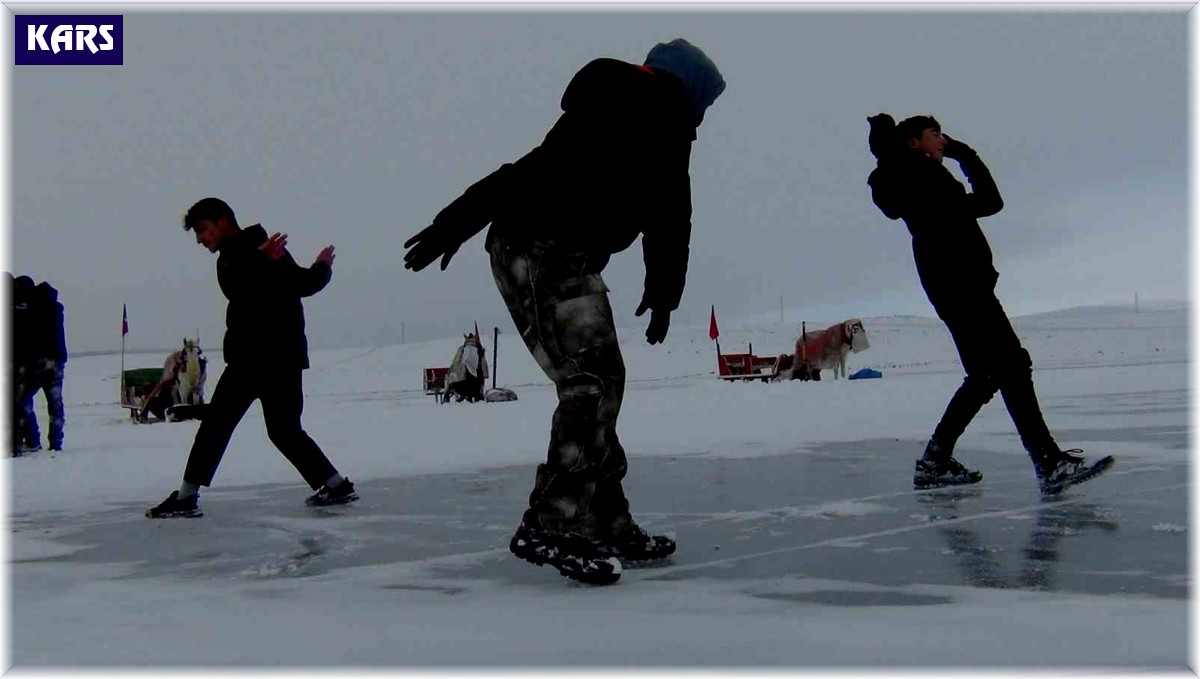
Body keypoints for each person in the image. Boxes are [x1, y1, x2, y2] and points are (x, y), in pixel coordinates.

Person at [403, 38, 726, 584]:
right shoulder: (653, 112)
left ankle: (603, 519)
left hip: (548, 250)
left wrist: (459, 219)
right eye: (705, 103)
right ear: (687, 88)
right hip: (536, 248)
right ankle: (551, 523)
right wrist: (457, 220)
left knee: (602, 382)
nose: (702, 117)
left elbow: (535, 171)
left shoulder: (637, 114)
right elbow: (668, 213)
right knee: (591, 383)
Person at [866, 113, 1113, 496]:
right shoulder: (918, 175)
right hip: (961, 284)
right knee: (1011, 365)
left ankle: (937, 460)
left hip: (956, 284)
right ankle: (1048, 462)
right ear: (913, 142)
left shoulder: (920, 175)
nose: (943, 139)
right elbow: (980, 201)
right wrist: (956, 155)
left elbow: (984, 204)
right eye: (936, 134)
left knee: (986, 375)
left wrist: (957, 155)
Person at [146, 197, 358, 518]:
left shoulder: (250, 250)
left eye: (203, 230)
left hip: (260, 358)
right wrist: (270, 263)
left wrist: (321, 268)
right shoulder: (237, 257)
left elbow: (298, 283)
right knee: (276, 430)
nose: (201, 239)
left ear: (223, 221)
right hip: (272, 358)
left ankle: (187, 498)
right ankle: (335, 484)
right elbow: (242, 289)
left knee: (229, 425)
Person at [19, 279, 67, 452]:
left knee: (22, 399)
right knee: (56, 404)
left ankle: (33, 439)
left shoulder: (33, 308)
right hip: (58, 362)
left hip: (39, 362)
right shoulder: (57, 308)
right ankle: (56, 442)